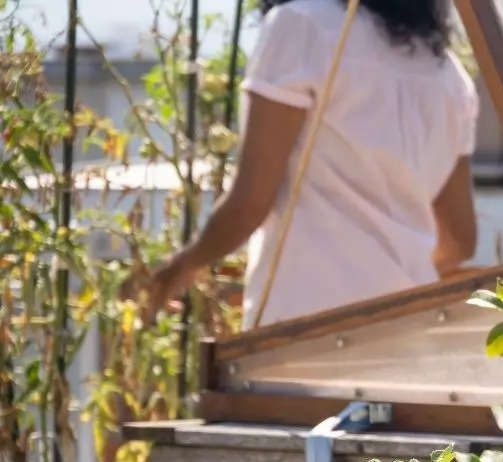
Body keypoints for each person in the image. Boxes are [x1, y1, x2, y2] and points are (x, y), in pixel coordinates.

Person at [138, 0, 477, 327]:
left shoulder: (302, 24)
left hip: (306, 325)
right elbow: (459, 240)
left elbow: (249, 204)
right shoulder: (448, 73)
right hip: (407, 324)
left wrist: (181, 267)